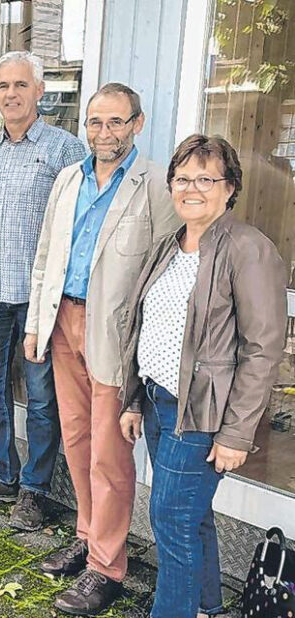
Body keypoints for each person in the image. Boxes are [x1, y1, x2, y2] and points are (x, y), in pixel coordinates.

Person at [24, 84, 179, 614]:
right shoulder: (70, 177)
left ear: (137, 122)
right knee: (76, 439)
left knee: (110, 454)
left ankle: (107, 568)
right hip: (62, 320)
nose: (103, 133)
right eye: (94, 122)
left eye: (115, 122)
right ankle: (88, 539)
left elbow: (166, 270)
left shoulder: (157, 185)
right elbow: (47, 254)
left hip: (114, 331)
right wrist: (33, 325)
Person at [119, 135, 287, 618]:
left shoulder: (248, 248)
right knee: (191, 516)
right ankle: (207, 606)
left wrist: (236, 433)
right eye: (183, 178)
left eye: (206, 179)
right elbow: (142, 326)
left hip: (201, 413)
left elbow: (262, 349)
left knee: (171, 518)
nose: (192, 188)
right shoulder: (170, 245)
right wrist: (133, 399)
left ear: (230, 187)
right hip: (157, 402)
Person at [0, 51, 86, 529]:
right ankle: (1, 473)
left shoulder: (66, 150)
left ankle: (35, 489)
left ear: (39, 91)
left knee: (43, 397)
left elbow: (78, 227)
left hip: (38, 300)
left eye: (20, 85)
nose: (11, 94)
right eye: (3, 86)